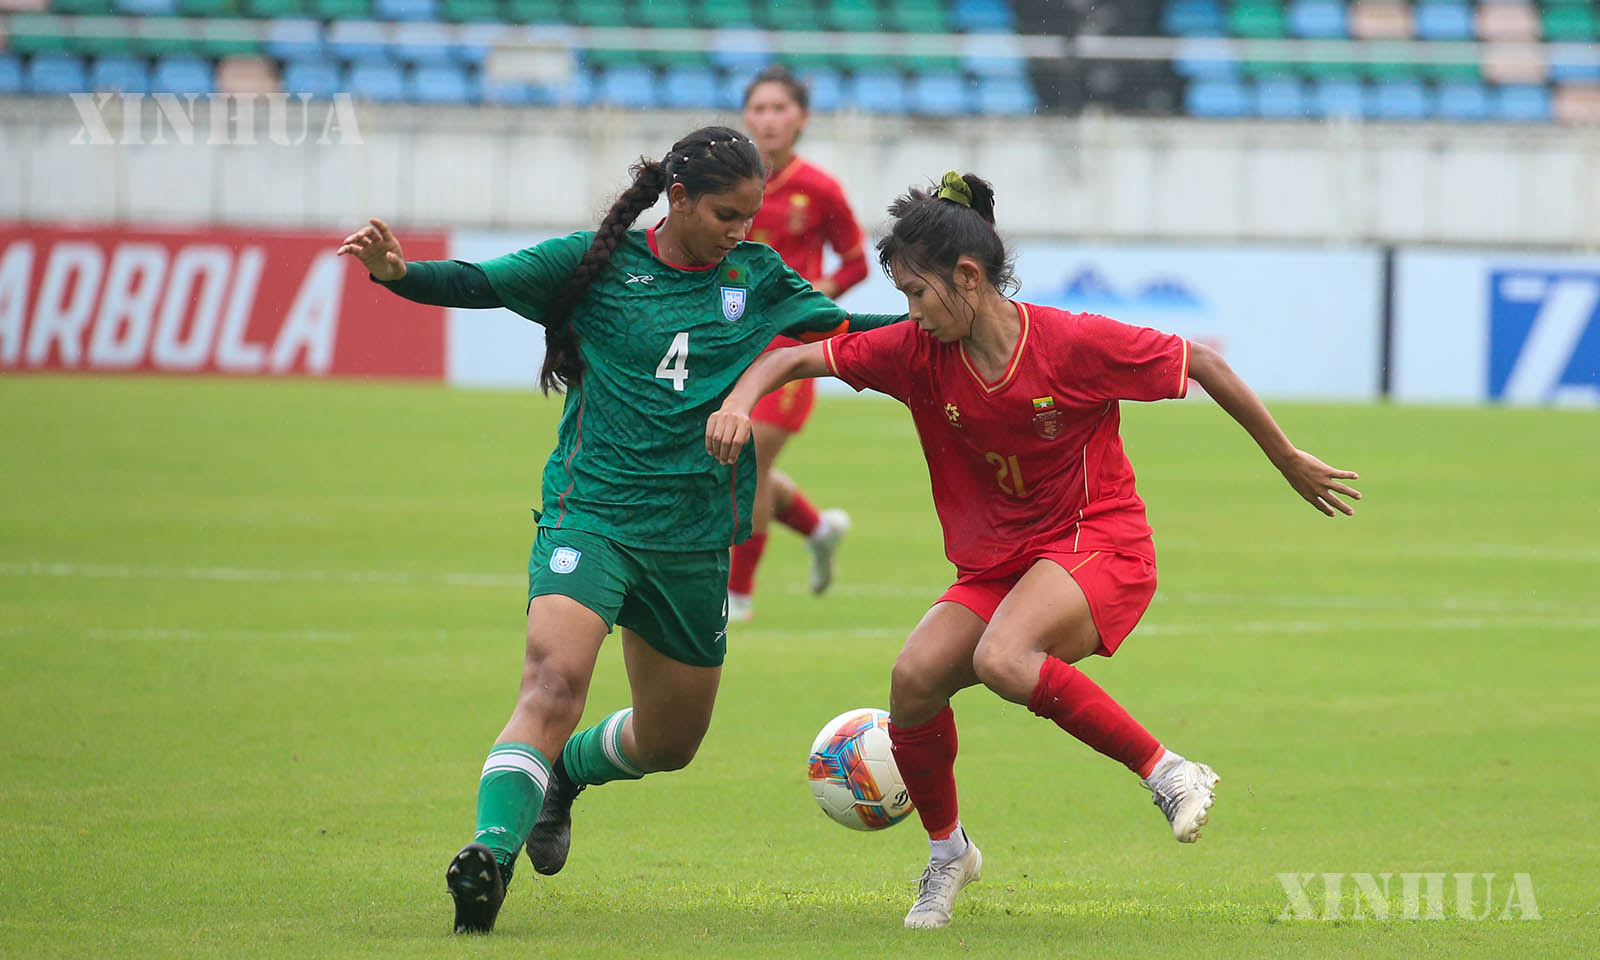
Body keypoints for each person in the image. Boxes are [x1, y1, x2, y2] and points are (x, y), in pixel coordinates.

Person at [706, 171, 1362, 930]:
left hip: (1101, 542)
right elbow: (791, 357)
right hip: (1002, 564)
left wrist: (1287, 458)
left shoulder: (1071, 343)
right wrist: (738, 403)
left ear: (968, 277)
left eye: (917, 293)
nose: (909, 312)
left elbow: (1202, 364)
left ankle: (1171, 771)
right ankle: (949, 855)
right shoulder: (916, 351)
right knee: (913, 680)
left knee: (1003, 657)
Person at [337, 125, 903, 936]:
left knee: (671, 741)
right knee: (552, 682)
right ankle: (490, 857)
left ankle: (566, 775)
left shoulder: (756, 276)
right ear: (677, 198)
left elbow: (848, 330)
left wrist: (943, 323)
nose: (741, 229)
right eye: (726, 214)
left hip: (693, 540)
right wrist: (400, 274)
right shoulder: (596, 263)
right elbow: (481, 281)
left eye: (750, 215)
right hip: (592, 516)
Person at [729, 65, 871, 622]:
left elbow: (856, 262)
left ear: (801, 118)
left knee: (748, 457)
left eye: (779, 108)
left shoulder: (819, 188)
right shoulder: (727, 181)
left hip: (795, 346)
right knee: (744, 463)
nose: (768, 119)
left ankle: (737, 594)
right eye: (758, 108)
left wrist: (814, 295)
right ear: (746, 116)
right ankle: (817, 529)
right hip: (734, 340)